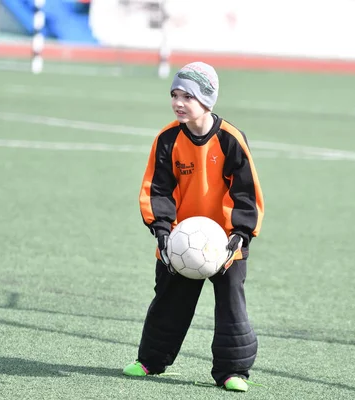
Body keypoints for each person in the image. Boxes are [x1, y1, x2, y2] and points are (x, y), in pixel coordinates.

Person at [123, 61, 264, 392]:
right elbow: (157, 189)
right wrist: (162, 230)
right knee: (168, 302)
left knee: (231, 306)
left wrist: (240, 233)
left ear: (207, 100)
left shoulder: (230, 140)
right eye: (174, 95)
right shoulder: (167, 139)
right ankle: (150, 361)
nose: (178, 102)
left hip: (225, 242)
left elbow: (247, 192)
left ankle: (233, 371)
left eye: (187, 96)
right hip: (179, 240)